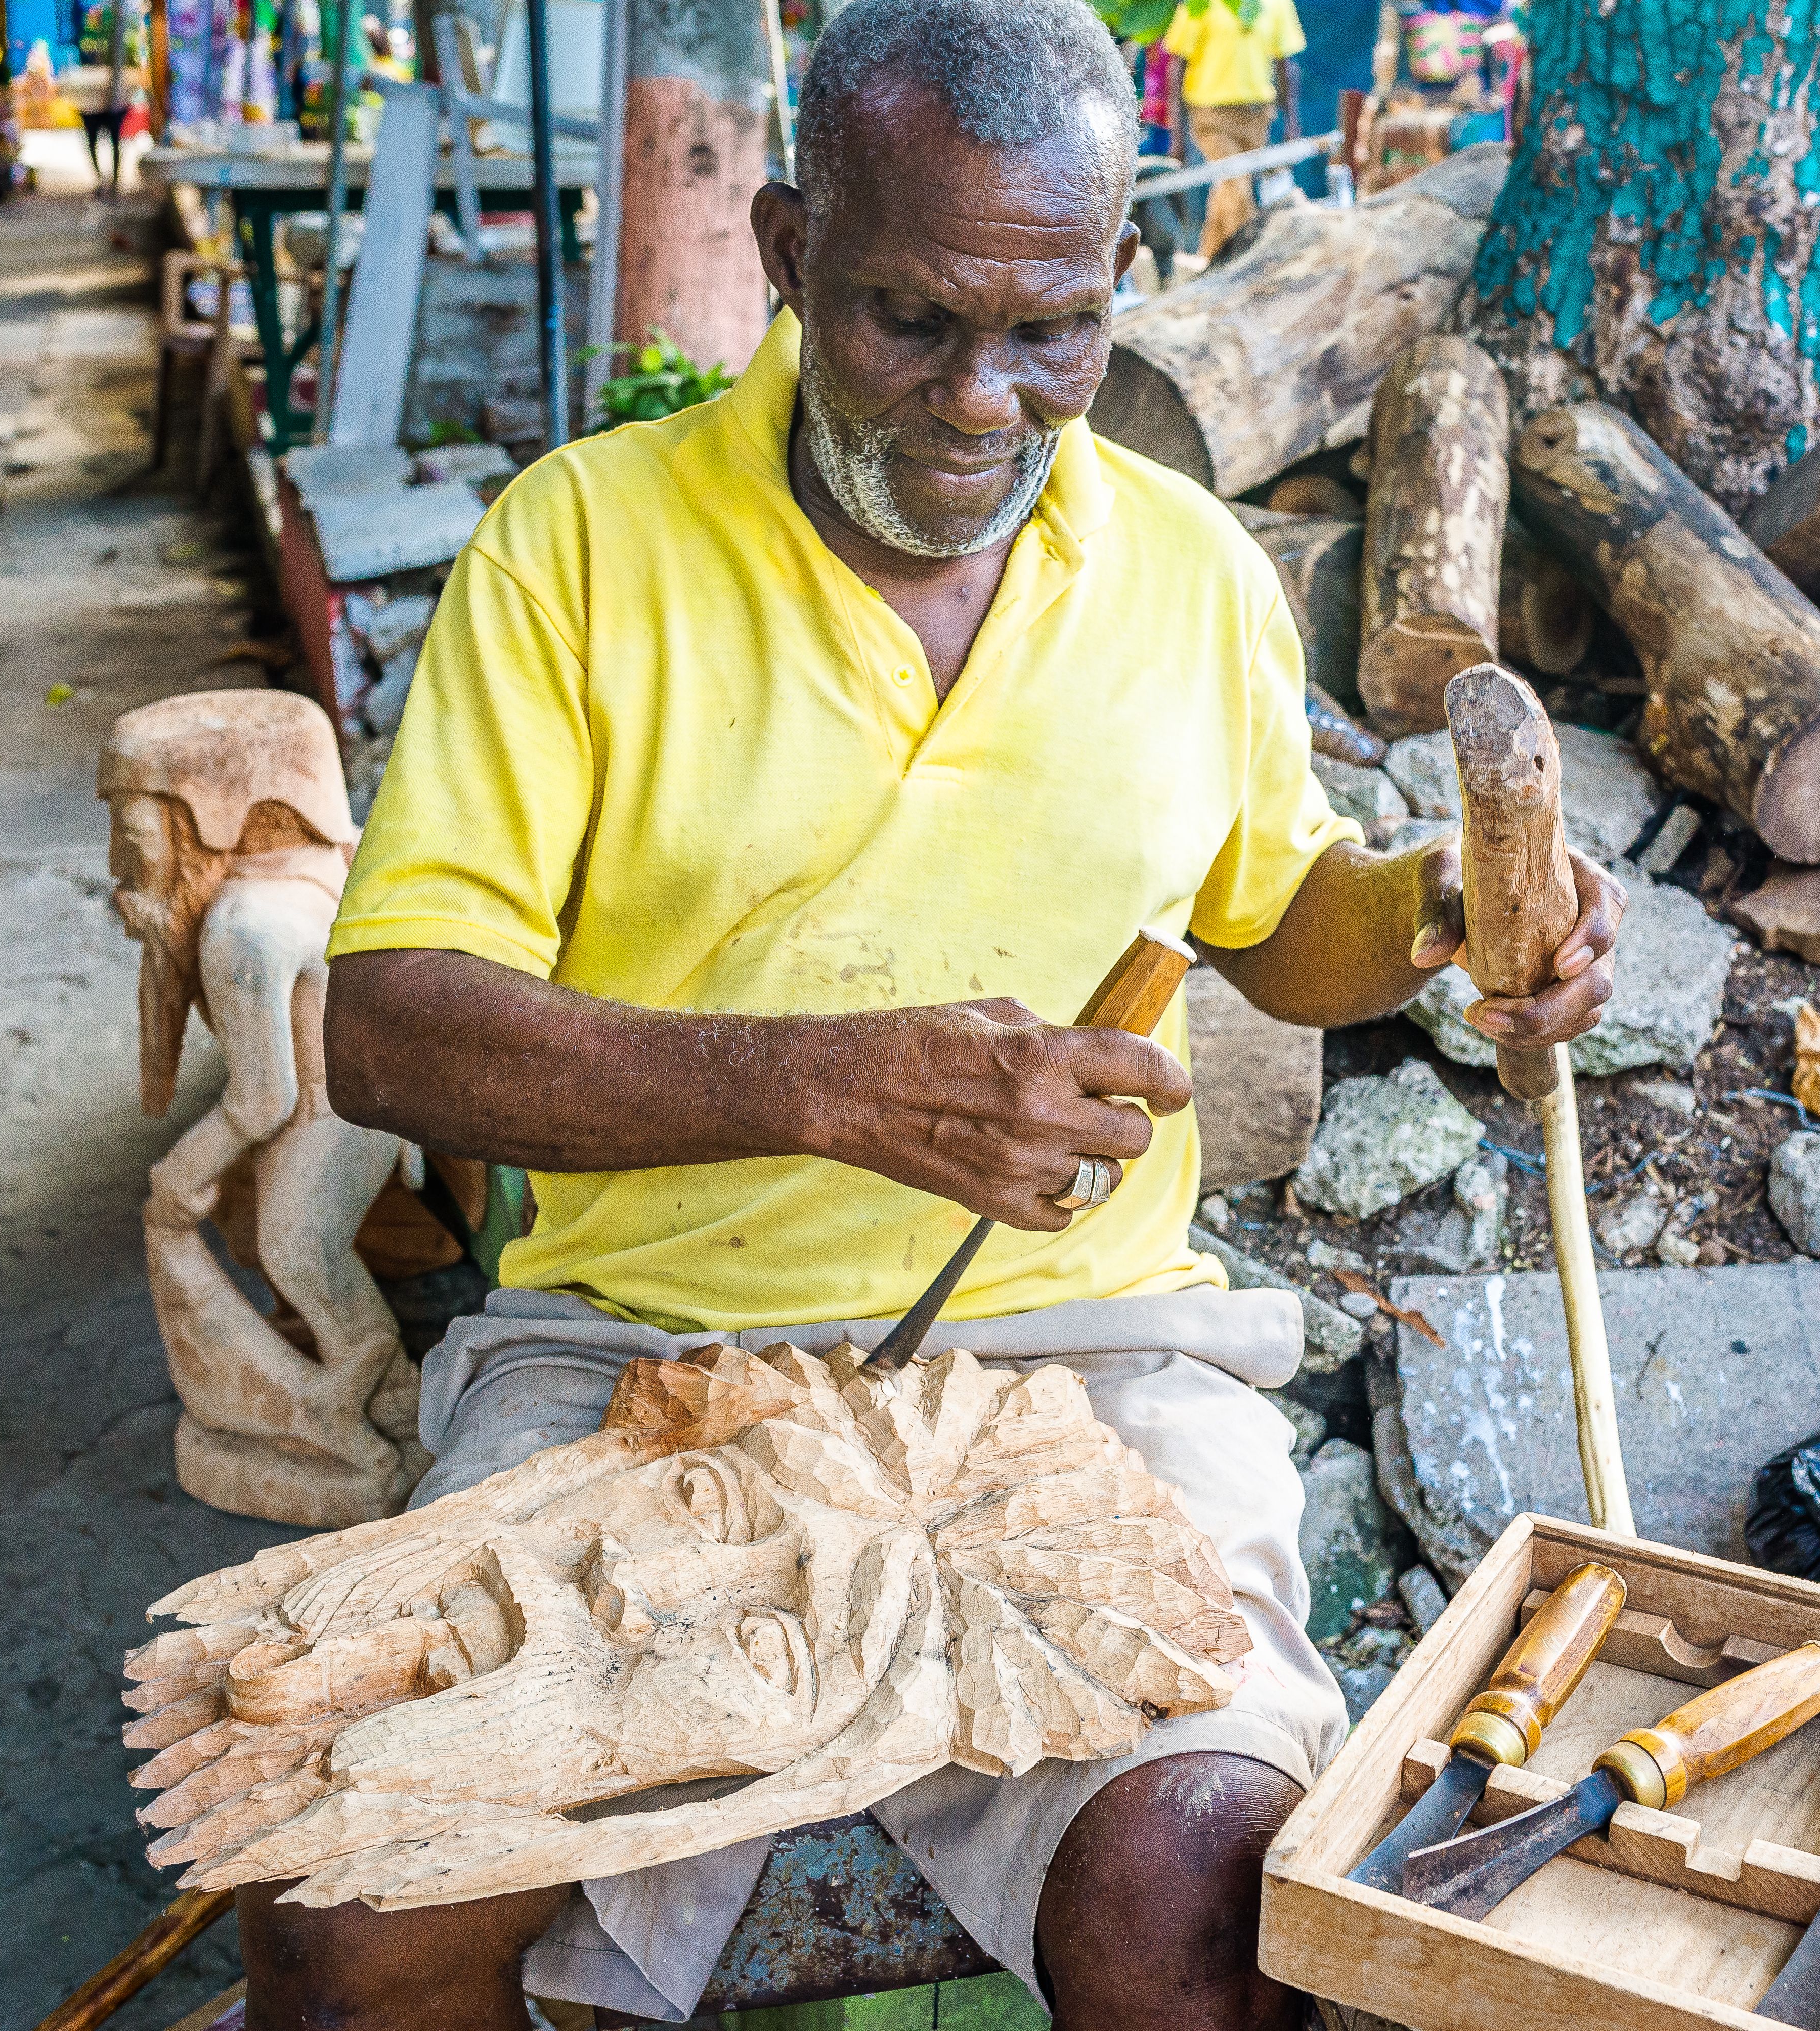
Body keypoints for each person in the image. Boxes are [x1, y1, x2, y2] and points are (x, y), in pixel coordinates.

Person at [268, 0, 1625, 2022]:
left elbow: (1277, 924)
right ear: (790, 248)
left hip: (1086, 1367)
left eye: (1051, 330)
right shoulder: (577, 547)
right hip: (643, 1362)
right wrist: (825, 1086)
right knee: (351, 1920)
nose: (985, 402)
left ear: (1111, 291)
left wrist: (1437, 908)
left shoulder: (1179, 566)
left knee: (1195, 1883)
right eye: (911, 320)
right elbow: (383, 1029)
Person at [1160, 0, 1307, 260]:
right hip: (1211, 115)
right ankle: (1253, 258)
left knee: (1228, 187)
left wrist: (1292, 120)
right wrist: (1177, 134)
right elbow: (1177, 67)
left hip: (1257, 116)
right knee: (1236, 184)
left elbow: (1286, 65)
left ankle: (1210, 260)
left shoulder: (1278, 5)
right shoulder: (1200, 5)